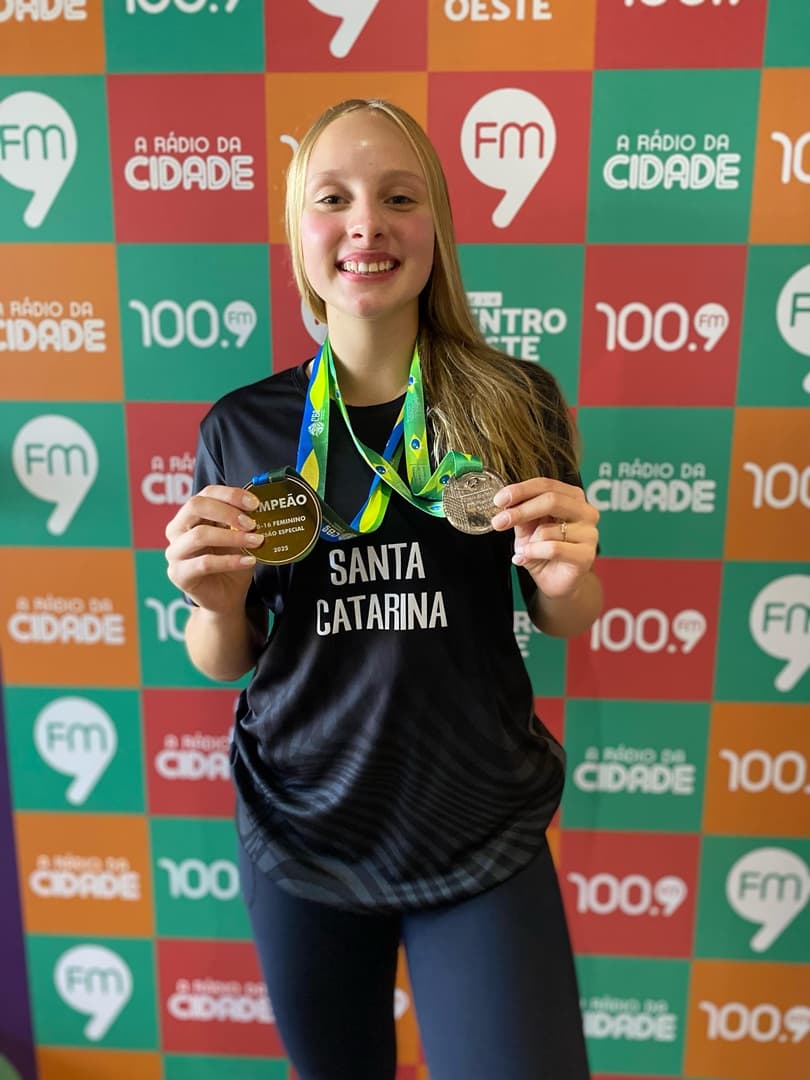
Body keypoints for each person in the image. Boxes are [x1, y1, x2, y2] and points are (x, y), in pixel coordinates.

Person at [165, 98, 601, 1080]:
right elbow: (229, 659)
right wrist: (214, 605)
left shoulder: (512, 400)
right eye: (334, 199)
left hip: (477, 821)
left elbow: (564, 613)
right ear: (300, 233)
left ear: (437, 227)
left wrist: (569, 575)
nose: (366, 224)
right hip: (303, 822)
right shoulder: (242, 426)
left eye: (399, 198)